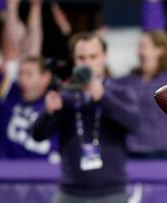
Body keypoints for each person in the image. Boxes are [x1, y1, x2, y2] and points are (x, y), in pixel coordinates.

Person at [32, 32, 140, 203]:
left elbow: (134, 124)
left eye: (93, 56)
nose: (87, 63)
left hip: (112, 192)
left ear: (105, 57)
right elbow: (38, 135)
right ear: (74, 60)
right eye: (81, 57)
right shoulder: (65, 97)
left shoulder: (120, 92)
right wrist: (49, 112)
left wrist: (103, 97)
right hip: (70, 192)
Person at [118, 30, 167, 158]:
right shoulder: (129, 80)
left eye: (143, 46)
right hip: (136, 150)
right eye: (139, 46)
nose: (139, 51)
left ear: (160, 50)